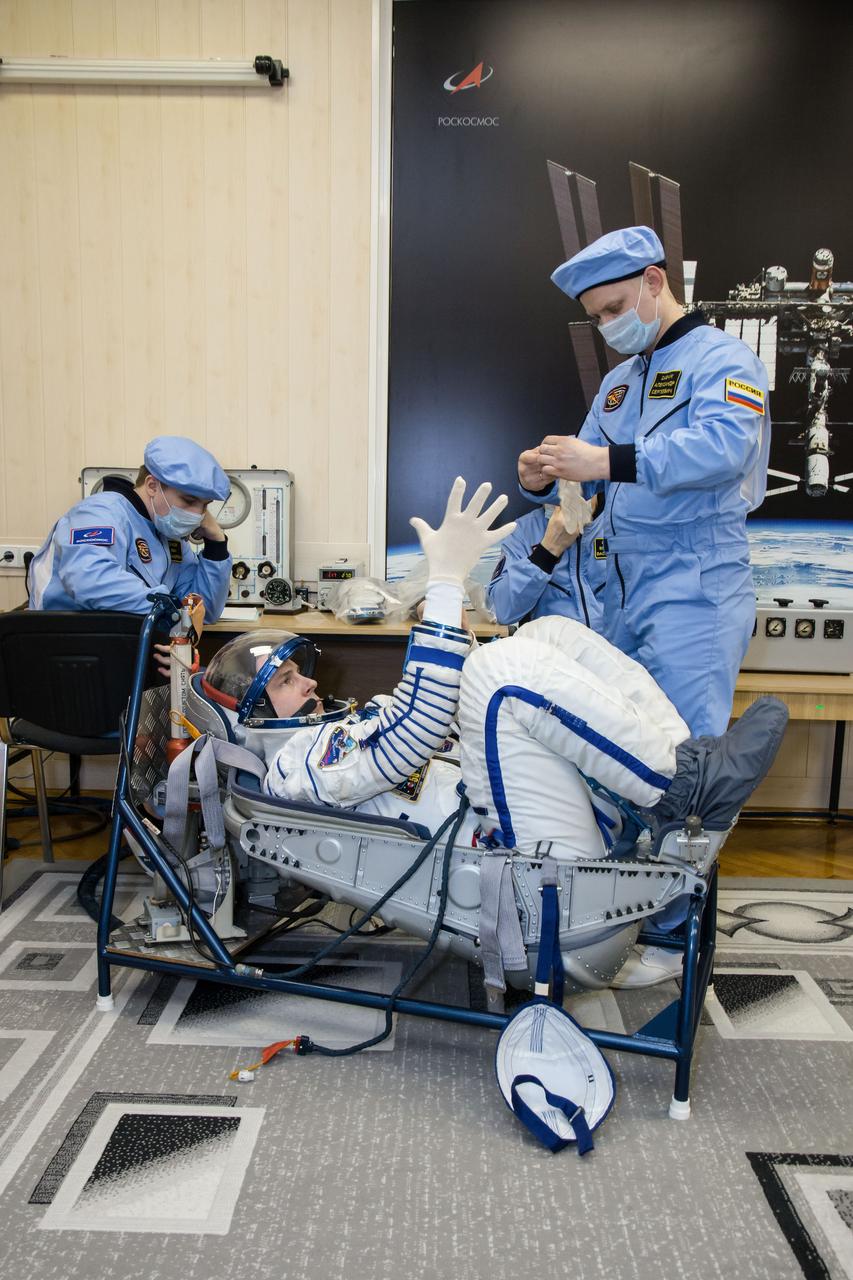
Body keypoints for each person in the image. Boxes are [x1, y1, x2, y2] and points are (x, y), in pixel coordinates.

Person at [191, 477, 787, 988]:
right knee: (499, 677)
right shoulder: (300, 763)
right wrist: (448, 581)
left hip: (542, 845)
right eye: (287, 680)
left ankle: (682, 773)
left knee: (545, 635)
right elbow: (414, 733)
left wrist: (450, 616)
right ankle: (682, 795)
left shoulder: (332, 731)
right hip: (535, 897)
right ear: (259, 716)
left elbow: (421, 718)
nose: (310, 685)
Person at [518, 226, 771, 736]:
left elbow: (724, 450)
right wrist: (544, 479)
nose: (608, 326)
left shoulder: (723, 358)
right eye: (597, 318)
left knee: (684, 752)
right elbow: (583, 487)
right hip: (620, 588)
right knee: (626, 750)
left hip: (694, 584)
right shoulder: (618, 383)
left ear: (654, 280)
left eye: (614, 309)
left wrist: (604, 462)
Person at [28, 435, 233, 622]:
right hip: (71, 646)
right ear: (152, 486)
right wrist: (169, 611)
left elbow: (202, 612)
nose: (198, 515)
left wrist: (216, 544)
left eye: (205, 505)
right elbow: (90, 581)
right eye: (189, 501)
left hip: (128, 647)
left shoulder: (169, 537)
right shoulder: (100, 512)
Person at [487, 485, 605, 628]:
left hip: (614, 647)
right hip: (552, 646)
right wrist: (547, 551)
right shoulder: (522, 532)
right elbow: (502, 611)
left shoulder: (622, 525)